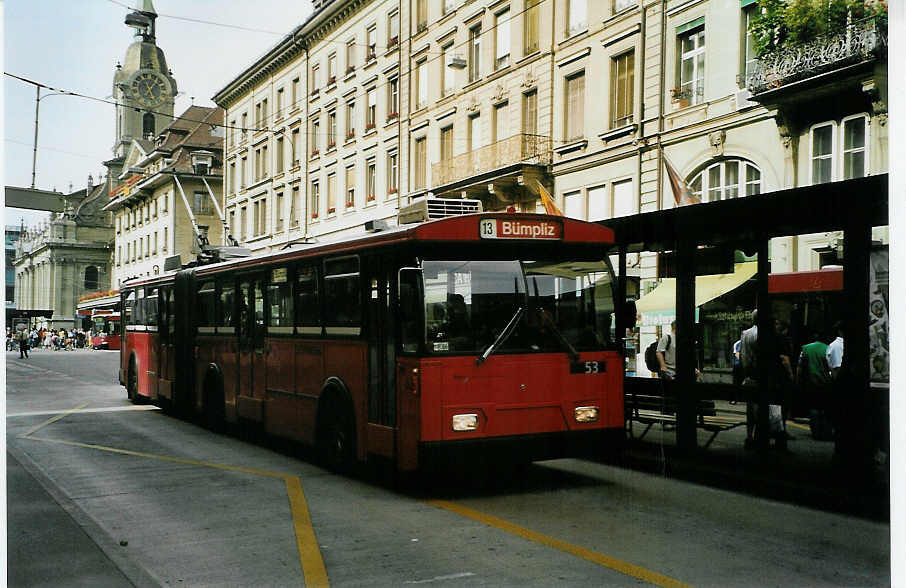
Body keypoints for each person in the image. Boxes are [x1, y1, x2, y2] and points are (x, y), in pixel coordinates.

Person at [798, 332, 833, 440]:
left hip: (811, 382)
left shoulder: (806, 348)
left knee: (813, 407)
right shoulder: (828, 348)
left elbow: (800, 367)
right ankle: (825, 432)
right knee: (825, 408)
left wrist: (798, 380)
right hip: (826, 383)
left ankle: (815, 432)